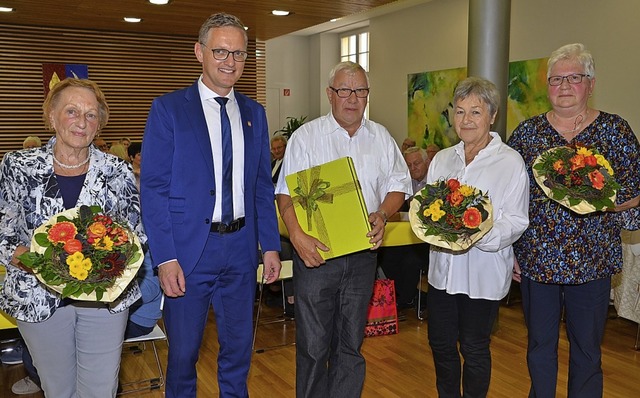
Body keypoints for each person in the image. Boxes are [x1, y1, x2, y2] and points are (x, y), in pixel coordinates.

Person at [140, 12, 281, 398]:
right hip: (187, 254)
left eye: (238, 53)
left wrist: (269, 244)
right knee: (184, 354)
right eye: (221, 51)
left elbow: (260, 188)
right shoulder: (168, 110)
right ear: (199, 52)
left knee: (237, 351)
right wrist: (165, 257)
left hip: (240, 250)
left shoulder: (255, 113)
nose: (230, 61)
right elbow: (152, 189)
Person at [508, 43, 640, 398]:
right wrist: (510, 251)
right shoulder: (526, 135)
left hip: (592, 260)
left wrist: (595, 200)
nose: (564, 86)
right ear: (547, 86)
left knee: (587, 350)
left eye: (574, 77)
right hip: (538, 260)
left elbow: (636, 188)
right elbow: (508, 197)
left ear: (591, 83)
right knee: (539, 347)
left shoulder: (615, 130)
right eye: (556, 79)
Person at [0, 78, 144, 397]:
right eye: (72, 111)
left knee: (101, 389)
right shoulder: (17, 165)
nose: (82, 121)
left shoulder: (116, 171)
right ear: (51, 116)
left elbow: (134, 233)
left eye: (91, 115)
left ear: (99, 124)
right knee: (58, 389)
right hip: (38, 295)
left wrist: (109, 260)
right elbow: (3, 230)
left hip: (104, 298)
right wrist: (31, 258)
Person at [275, 61, 411, 398]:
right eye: (344, 90)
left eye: (360, 91)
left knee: (351, 344)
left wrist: (382, 213)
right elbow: (285, 194)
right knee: (313, 345)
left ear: (367, 96)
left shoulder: (381, 137)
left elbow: (399, 186)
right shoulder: (306, 137)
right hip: (317, 255)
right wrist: (296, 236)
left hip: (364, 255)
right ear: (329, 94)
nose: (352, 98)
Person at [426, 77, 529, 397]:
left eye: (475, 112)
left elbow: (516, 219)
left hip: (482, 273)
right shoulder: (443, 159)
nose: (466, 120)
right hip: (442, 274)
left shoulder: (510, 162)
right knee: (440, 344)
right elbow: (428, 209)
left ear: (492, 115)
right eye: (459, 112)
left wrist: (476, 233)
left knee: (474, 347)